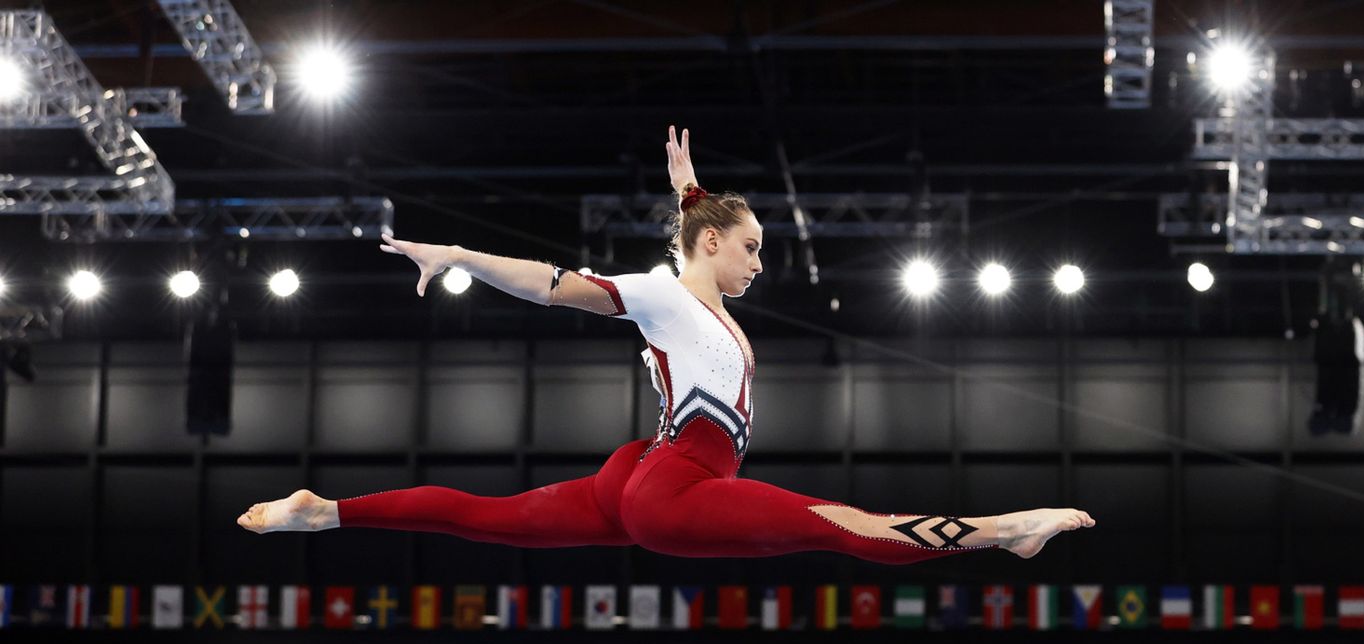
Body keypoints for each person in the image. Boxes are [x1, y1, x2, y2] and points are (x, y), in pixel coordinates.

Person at [239, 126, 1095, 563]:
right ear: (714, 246)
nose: (760, 263)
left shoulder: (684, 288)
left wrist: (690, 190)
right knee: (846, 527)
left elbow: (691, 246)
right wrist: (461, 255)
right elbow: (548, 282)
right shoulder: (657, 294)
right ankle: (1007, 529)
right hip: (674, 483)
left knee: (489, 518)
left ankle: (327, 513)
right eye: (752, 247)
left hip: (646, 471)